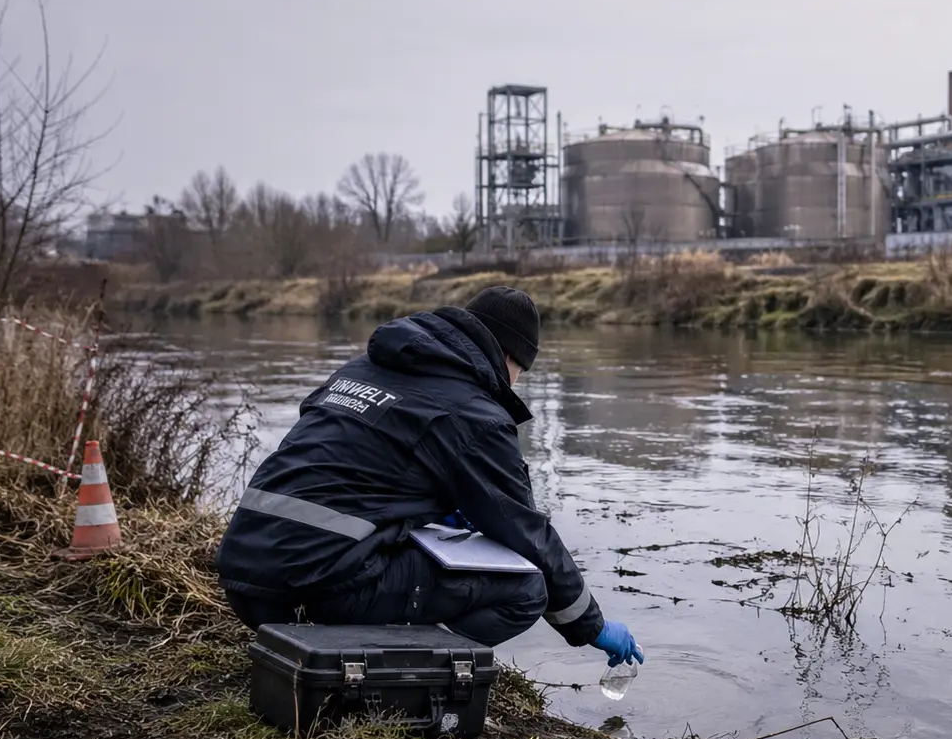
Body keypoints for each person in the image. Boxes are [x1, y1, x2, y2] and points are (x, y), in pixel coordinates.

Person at [214, 286, 643, 668]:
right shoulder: (474, 414)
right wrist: (592, 626)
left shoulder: (360, 370)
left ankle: (377, 647)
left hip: (246, 578)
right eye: (519, 374)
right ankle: (411, 670)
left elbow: (353, 477)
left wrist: (430, 510)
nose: (515, 385)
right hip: (313, 590)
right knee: (526, 589)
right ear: (509, 356)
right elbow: (528, 535)